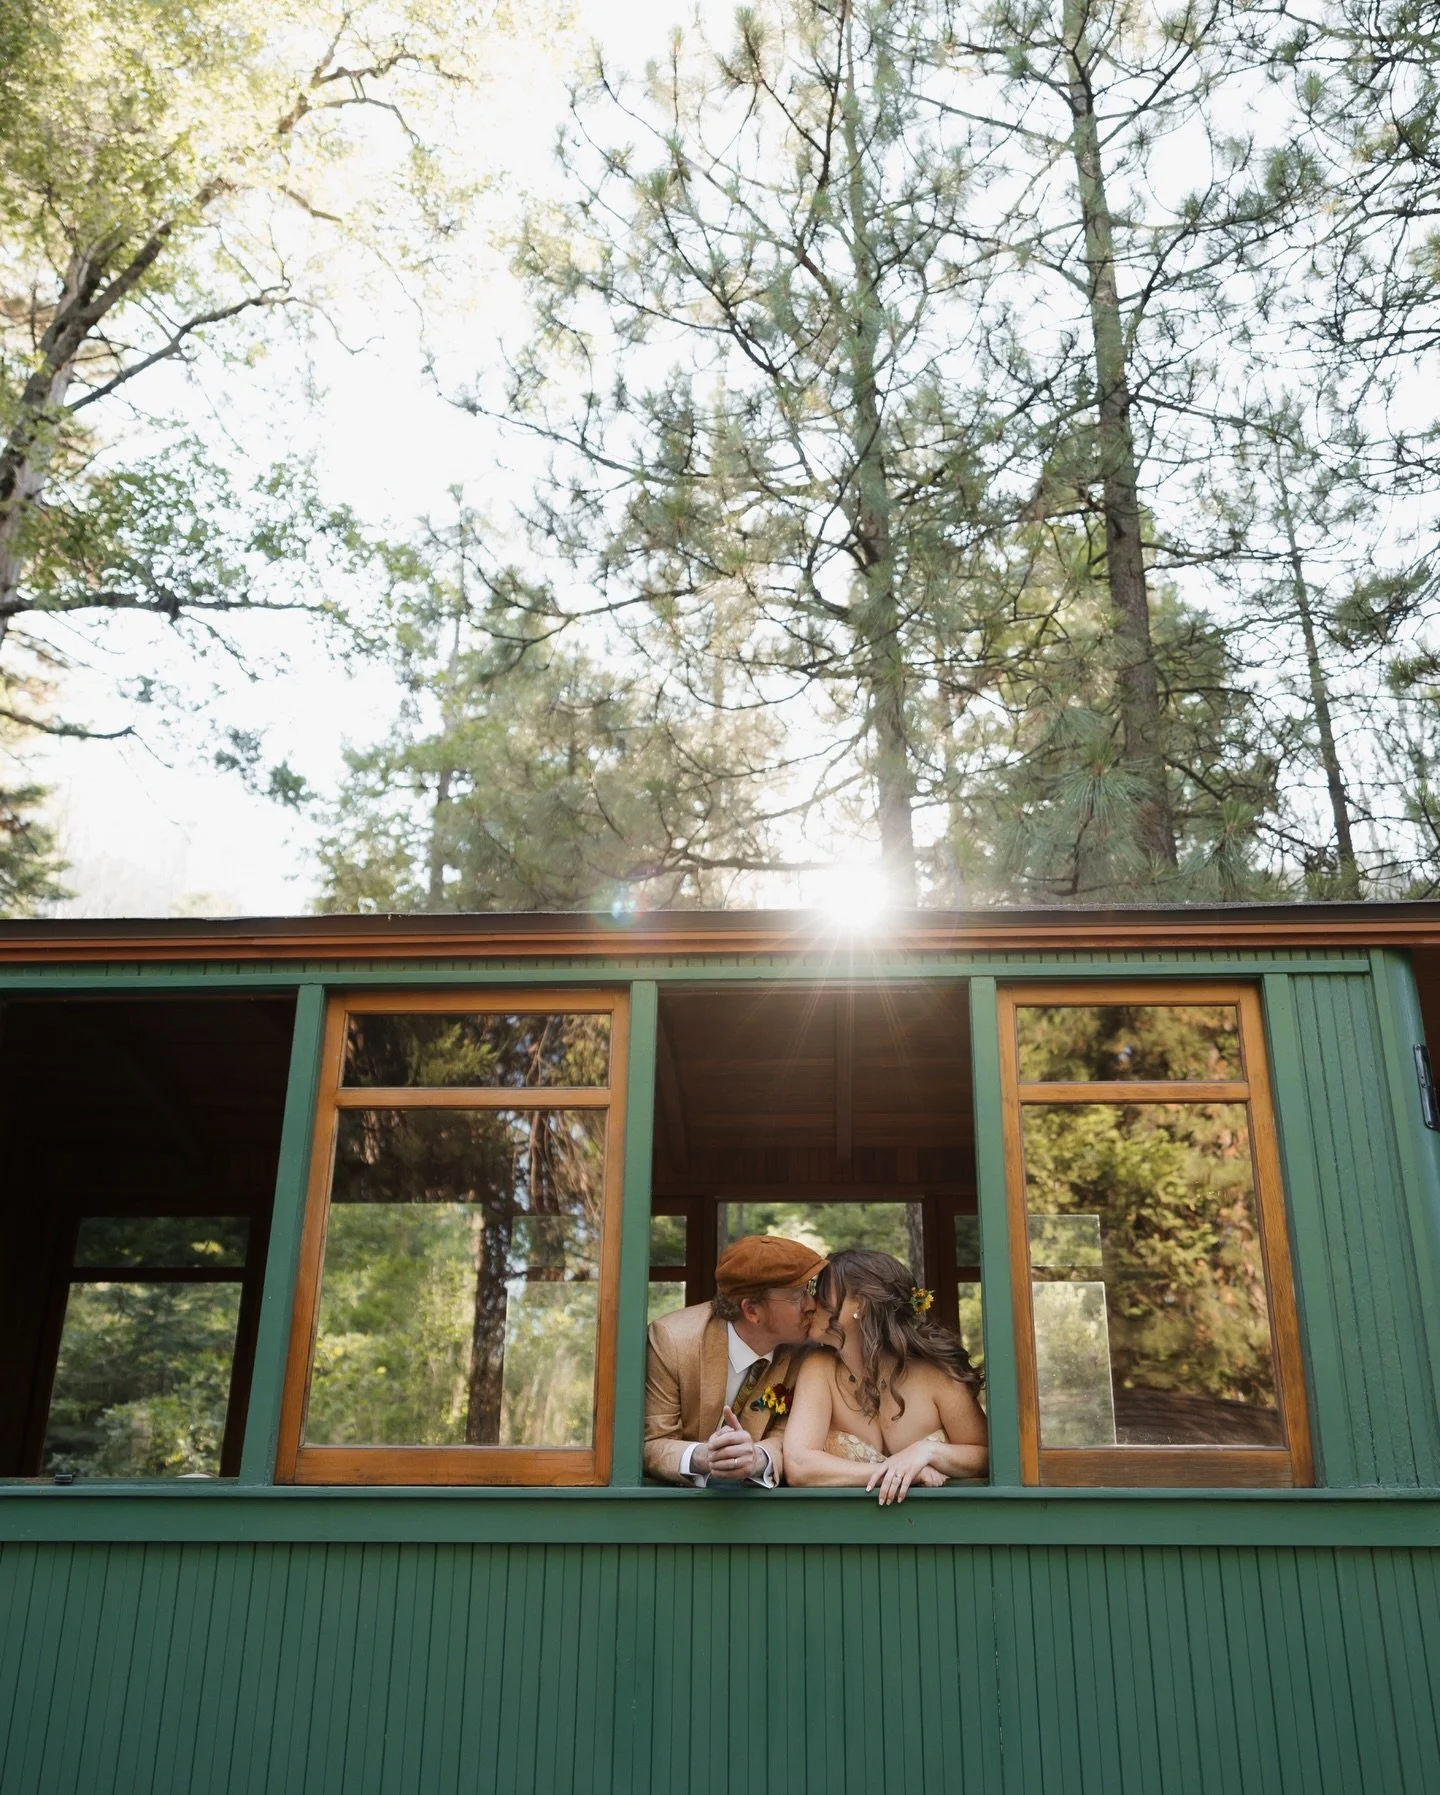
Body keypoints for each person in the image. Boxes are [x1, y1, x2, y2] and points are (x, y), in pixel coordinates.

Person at [783, 1247, 988, 1502]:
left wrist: (928, 1452)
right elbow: (799, 1466)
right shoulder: (818, 1368)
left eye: (822, 1291)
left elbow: (986, 1456)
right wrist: (896, 1473)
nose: (812, 1303)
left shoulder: (936, 1373)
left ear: (862, 1305)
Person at [644, 1234, 828, 1486]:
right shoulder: (673, 1340)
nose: (811, 1305)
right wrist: (704, 1457)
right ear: (752, 1311)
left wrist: (757, 1458)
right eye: (797, 1297)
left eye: (809, 1290)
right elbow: (652, 1443)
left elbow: (789, 1437)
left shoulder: (807, 1352)